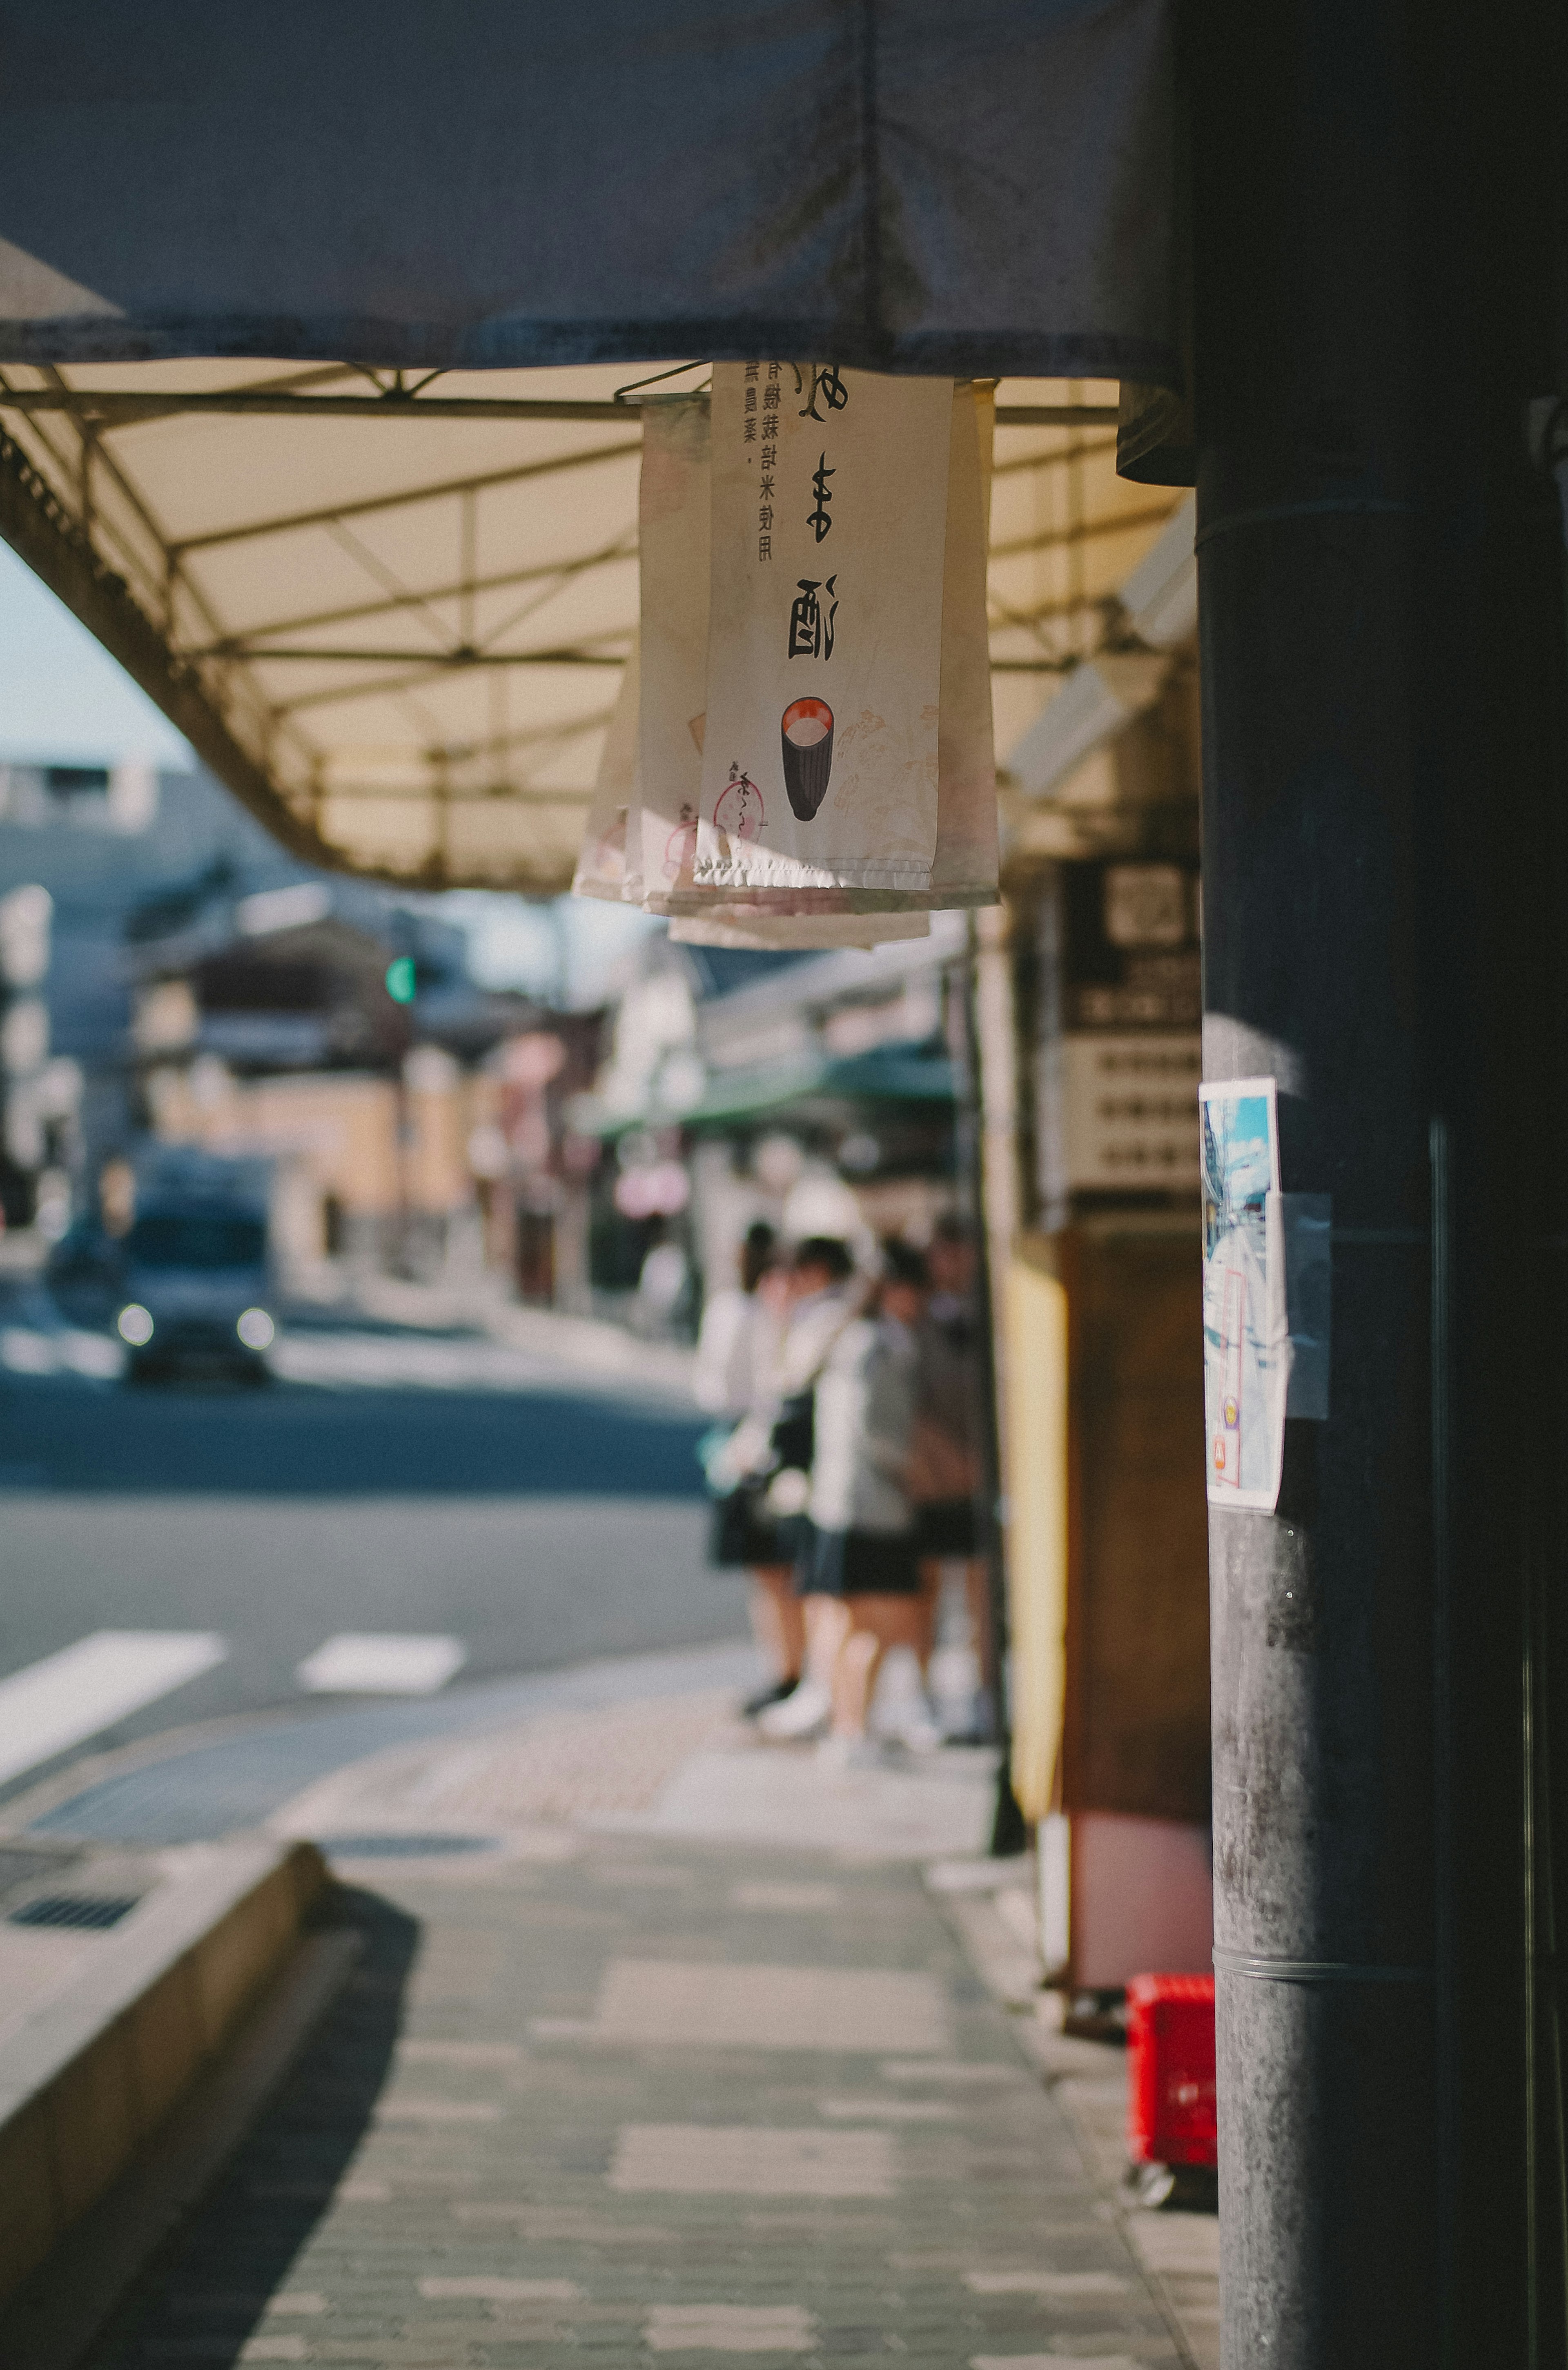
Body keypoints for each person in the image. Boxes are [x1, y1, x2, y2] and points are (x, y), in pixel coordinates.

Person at [760, 1240, 931, 1749]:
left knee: (843, 1618)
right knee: (876, 1624)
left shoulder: (840, 1333)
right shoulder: (876, 1345)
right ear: (897, 1291)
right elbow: (883, 1434)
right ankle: (852, 1729)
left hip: (837, 1501)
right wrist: (921, 1469)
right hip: (873, 1504)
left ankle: (844, 1719)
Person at [695, 1222, 801, 1717]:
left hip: (753, 1448)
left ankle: (787, 1671)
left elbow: (718, 1389)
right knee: (777, 1571)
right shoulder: (771, 1310)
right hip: (767, 1446)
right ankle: (787, 1670)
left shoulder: (736, 1311)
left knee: (770, 1573)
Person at [911, 1212, 994, 1740]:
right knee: (928, 1593)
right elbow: (911, 1406)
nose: (954, 1262)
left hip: (982, 1479)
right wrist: (955, 1460)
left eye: (961, 1250)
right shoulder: (914, 1316)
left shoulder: (992, 1308)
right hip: (933, 1479)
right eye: (944, 1251)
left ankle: (984, 1696)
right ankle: (925, 1696)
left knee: (982, 1593)